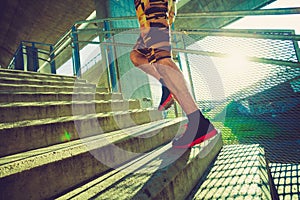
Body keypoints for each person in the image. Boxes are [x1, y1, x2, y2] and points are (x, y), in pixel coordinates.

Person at [130, 0, 217, 148]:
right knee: (137, 56)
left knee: (162, 61)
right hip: (144, 11)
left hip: (152, 4)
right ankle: (166, 85)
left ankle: (198, 123)